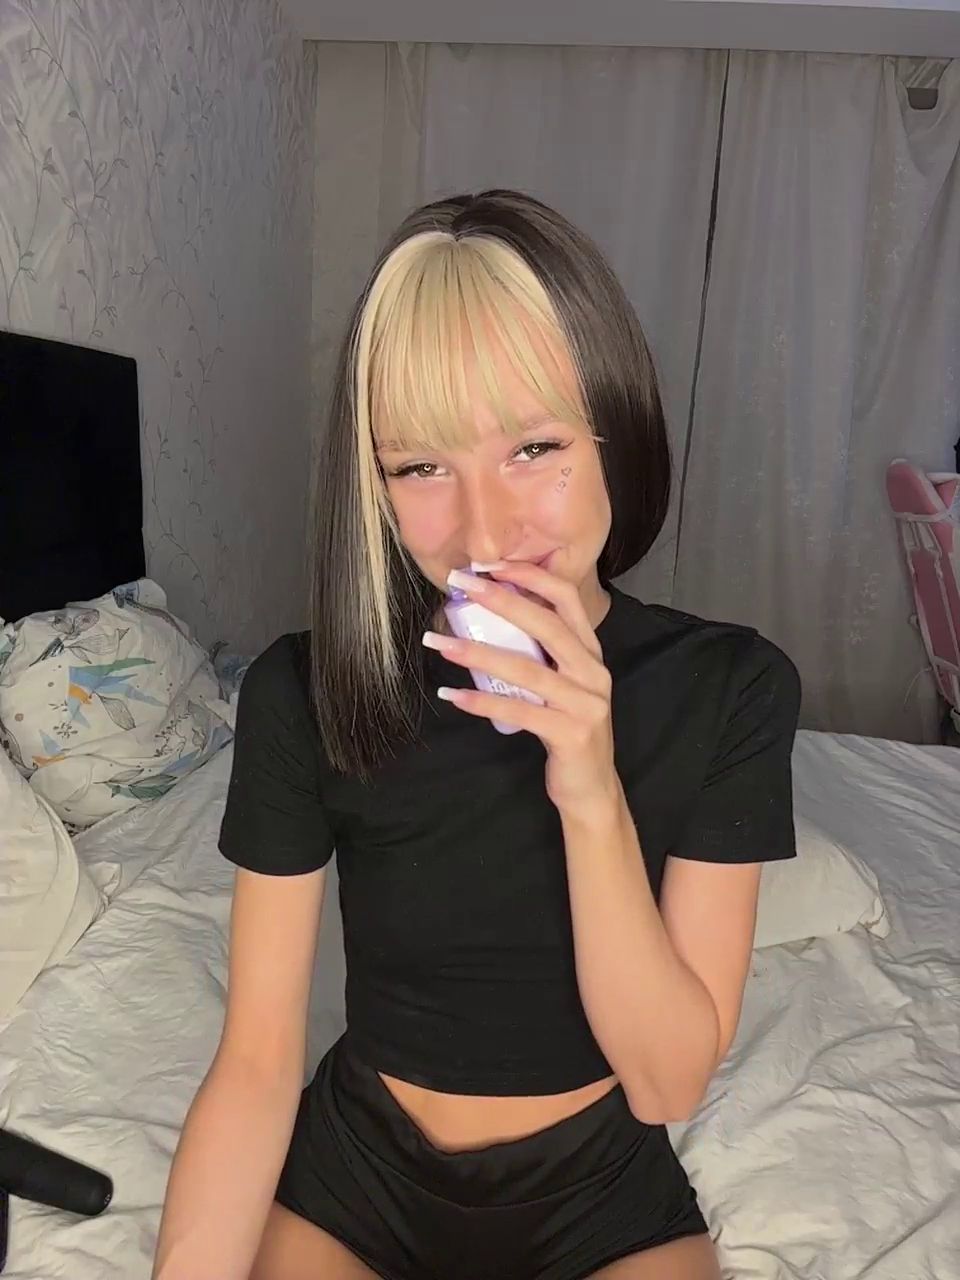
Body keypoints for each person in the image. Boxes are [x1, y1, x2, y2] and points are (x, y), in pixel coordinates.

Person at [153, 189, 801, 1280]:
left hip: (600, 1183)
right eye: (421, 467)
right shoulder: (307, 688)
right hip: (359, 1171)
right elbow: (257, 1061)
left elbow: (668, 1083)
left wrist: (589, 787)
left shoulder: (730, 686)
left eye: (536, 446)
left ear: (617, 433)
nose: (485, 528)